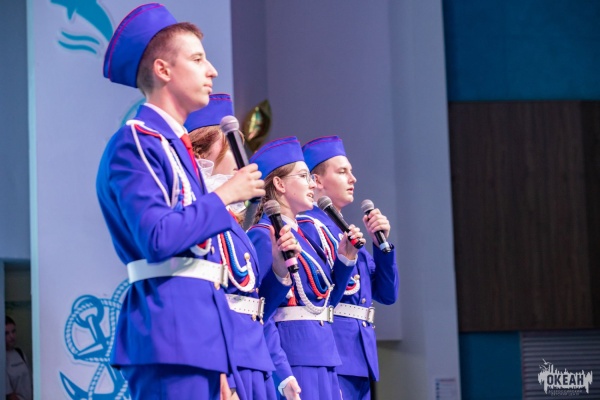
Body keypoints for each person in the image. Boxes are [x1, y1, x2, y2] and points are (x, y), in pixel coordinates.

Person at [97, 4, 264, 399]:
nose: (212, 71)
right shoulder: (136, 141)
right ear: (163, 70)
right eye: (198, 59)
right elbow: (157, 237)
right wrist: (225, 195)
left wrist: (221, 362)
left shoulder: (174, 146)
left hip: (198, 335)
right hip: (169, 330)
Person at [185, 93, 299, 399]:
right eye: (230, 142)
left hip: (253, 358)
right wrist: (216, 365)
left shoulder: (233, 223)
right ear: (201, 151)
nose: (242, 158)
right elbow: (197, 298)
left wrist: (279, 270)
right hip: (225, 358)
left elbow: (257, 307)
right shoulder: (195, 215)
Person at [247, 137, 364, 400]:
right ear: (279, 184)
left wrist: (345, 260)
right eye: (303, 176)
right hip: (293, 359)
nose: (312, 184)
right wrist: (281, 372)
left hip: (324, 357)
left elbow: (324, 304)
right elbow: (260, 312)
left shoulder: (305, 238)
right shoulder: (264, 235)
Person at [298, 136, 399, 400]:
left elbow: (387, 294)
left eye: (350, 171)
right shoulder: (308, 228)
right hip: (335, 351)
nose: (353, 178)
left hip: (360, 355)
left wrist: (381, 244)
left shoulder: (345, 231)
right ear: (317, 181)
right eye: (342, 171)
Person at [5, 316, 32, 400]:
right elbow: (9, 394)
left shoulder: (19, 353)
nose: (12, 336)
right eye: (6, 333)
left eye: (13, 331)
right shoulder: (3, 359)